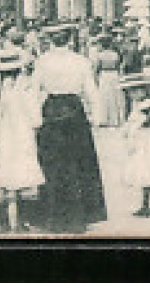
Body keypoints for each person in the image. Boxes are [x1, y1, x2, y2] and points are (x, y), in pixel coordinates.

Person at [31, 24, 107, 233]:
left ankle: (52, 217)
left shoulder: (42, 61)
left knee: (52, 164)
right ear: (69, 40)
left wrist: (35, 119)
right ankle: (80, 216)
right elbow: (91, 90)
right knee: (78, 162)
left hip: (52, 109)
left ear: (51, 40)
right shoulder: (81, 61)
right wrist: (97, 117)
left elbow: (34, 91)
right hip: (74, 111)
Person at [0, 46, 43, 233]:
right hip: (21, 135)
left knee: (5, 175)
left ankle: (6, 221)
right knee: (22, 175)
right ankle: (22, 220)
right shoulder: (25, 88)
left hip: (3, 136)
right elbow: (36, 118)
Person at [123, 97, 150, 217]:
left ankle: (147, 205)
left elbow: (148, 121)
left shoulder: (146, 105)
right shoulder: (140, 104)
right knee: (148, 174)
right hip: (145, 143)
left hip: (147, 144)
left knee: (147, 173)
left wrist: (136, 125)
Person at [91, 37, 128, 128]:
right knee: (114, 97)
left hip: (105, 75)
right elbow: (118, 66)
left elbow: (96, 68)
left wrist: (95, 79)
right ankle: (115, 119)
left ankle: (104, 119)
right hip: (114, 74)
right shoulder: (115, 54)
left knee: (104, 96)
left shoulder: (100, 55)